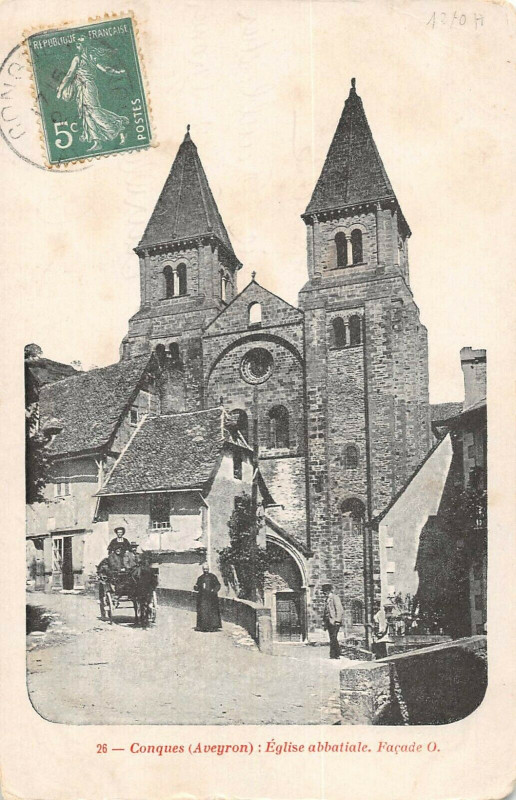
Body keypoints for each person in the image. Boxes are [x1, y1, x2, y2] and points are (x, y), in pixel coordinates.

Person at [193, 564, 222, 632]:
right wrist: (196, 587)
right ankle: (203, 627)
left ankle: (213, 626)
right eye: (204, 569)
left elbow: (218, 585)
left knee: (212, 611)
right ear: (203, 570)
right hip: (203, 598)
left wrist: (214, 590)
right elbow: (197, 586)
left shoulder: (213, 576)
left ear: (208, 569)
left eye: (206, 569)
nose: (205, 570)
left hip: (212, 598)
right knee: (203, 612)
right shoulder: (200, 578)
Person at [322, 583, 344, 659]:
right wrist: (324, 623)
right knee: (332, 638)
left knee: (334, 637)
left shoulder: (335, 598)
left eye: (324, 591)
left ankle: (337, 654)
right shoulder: (327, 599)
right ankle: (334, 655)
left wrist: (338, 620)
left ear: (328, 591)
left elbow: (339, 610)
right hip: (329, 622)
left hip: (334, 622)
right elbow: (325, 612)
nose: (323, 593)